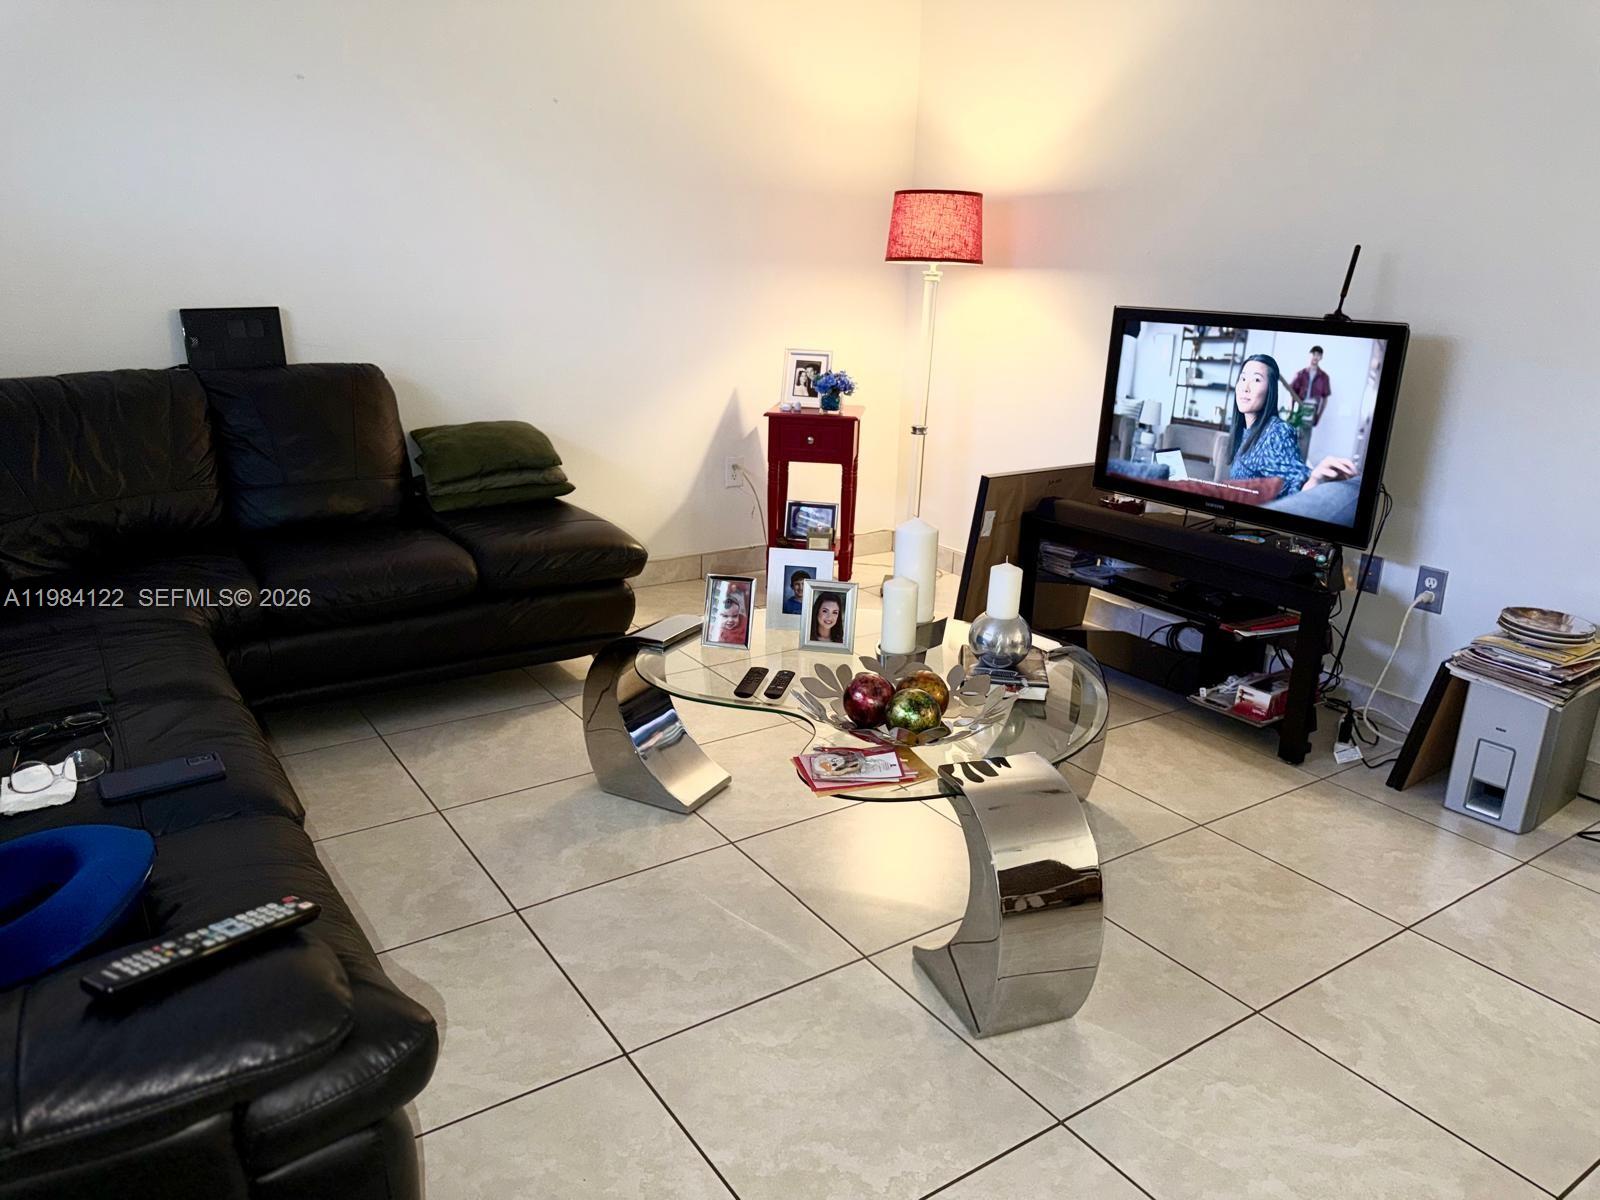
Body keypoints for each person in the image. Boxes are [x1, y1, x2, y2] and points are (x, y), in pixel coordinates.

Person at [1228, 354, 1354, 494]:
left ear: (1270, 390)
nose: (1246, 387)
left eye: (1256, 380)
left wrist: (1315, 480)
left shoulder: (1276, 433)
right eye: (1243, 378)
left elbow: (1296, 485)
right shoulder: (1244, 430)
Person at [1289, 345, 1332, 426]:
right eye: (1314, 354)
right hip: (1298, 408)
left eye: (1318, 355)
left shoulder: (1324, 377)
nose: (1315, 357)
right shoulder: (1300, 374)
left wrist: (1318, 416)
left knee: (1305, 436)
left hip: (1312, 409)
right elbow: (1292, 393)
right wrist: (1291, 412)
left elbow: (1325, 399)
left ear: (1321, 357)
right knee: (1293, 434)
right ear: (1309, 355)